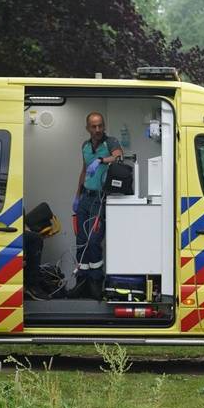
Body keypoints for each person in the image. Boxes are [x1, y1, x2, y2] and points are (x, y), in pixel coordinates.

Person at [69, 112, 124, 299]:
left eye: (100, 125)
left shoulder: (111, 142)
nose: (98, 129)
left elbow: (118, 157)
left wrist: (101, 160)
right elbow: (84, 170)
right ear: (87, 128)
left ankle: (95, 283)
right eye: (94, 126)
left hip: (100, 199)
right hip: (85, 197)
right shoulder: (84, 146)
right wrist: (77, 196)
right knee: (81, 241)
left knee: (93, 241)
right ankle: (81, 282)